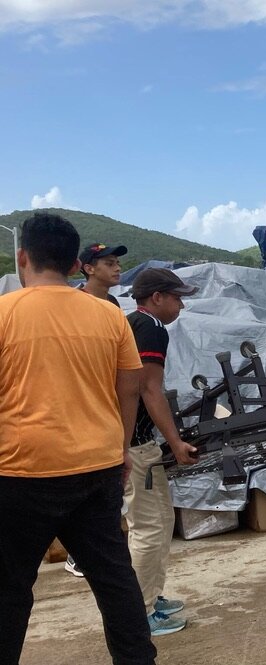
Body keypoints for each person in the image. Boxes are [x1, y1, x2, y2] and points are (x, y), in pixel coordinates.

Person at [0, 212, 156, 664]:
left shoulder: (5, 313)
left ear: (23, 256)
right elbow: (130, 389)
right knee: (114, 579)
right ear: (75, 264)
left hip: (18, 472)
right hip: (96, 466)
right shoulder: (109, 316)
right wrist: (121, 448)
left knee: (10, 589)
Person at [124, 268, 201, 637]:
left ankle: (152, 597)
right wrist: (174, 442)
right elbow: (148, 389)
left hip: (139, 443)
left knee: (161, 522)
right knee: (149, 529)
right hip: (135, 446)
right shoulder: (151, 327)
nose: (181, 304)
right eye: (177, 297)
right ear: (157, 297)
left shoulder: (133, 323)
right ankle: (139, 616)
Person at [64, 241, 130, 578]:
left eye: (118, 262)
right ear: (87, 268)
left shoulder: (114, 304)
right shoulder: (76, 305)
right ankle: (77, 555)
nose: (117, 268)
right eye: (108, 262)